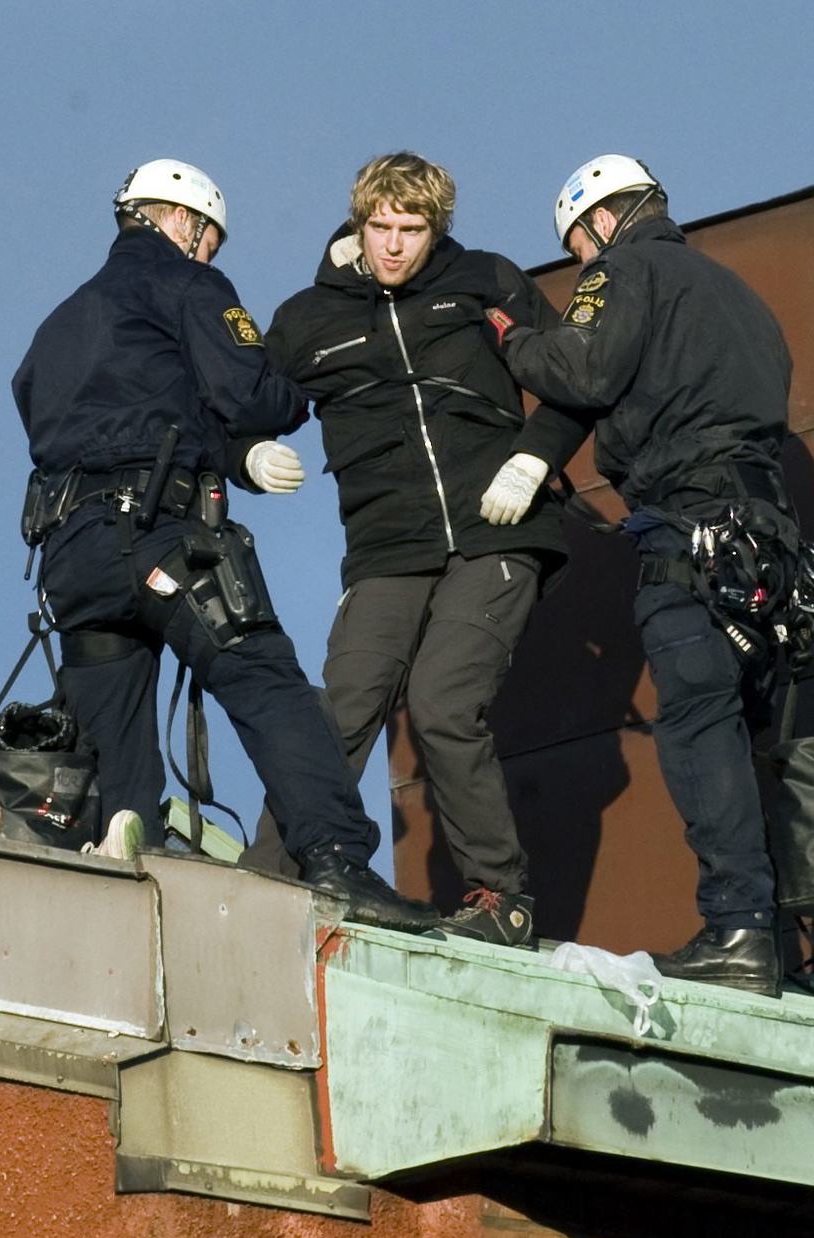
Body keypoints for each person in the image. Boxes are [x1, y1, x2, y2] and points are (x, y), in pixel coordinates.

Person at [12, 158, 435, 932]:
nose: (210, 256)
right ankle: (337, 860)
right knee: (270, 686)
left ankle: (116, 895)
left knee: (113, 758)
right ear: (184, 224)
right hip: (162, 540)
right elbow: (252, 391)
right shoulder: (187, 284)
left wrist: (226, 456)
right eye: (210, 242)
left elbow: (124, 412)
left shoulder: (59, 325)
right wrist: (285, 390)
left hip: (72, 559)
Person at [240, 153, 591, 948]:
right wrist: (245, 459)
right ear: (358, 224)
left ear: (438, 229)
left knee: (441, 702)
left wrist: (535, 457)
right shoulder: (309, 318)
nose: (394, 246)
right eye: (381, 228)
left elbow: (575, 378)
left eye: (412, 229)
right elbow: (241, 408)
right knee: (340, 707)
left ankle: (501, 898)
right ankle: (264, 885)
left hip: (497, 530)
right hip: (386, 547)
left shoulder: (485, 282)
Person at [488, 155, 798, 995]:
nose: (585, 264)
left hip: (691, 535)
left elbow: (582, 369)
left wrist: (515, 339)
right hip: (769, 544)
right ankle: (785, 942)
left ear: (597, 224)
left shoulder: (624, 269)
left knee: (699, 726)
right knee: (753, 730)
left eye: (579, 248)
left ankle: (738, 931)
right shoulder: (742, 299)